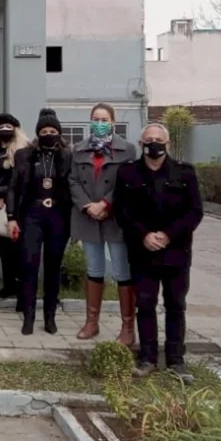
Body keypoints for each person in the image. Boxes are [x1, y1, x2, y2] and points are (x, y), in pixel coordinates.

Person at [114, 123, 203, 382]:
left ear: (168, 144)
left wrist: (167, 235)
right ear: (141, 144)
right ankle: (148, 358)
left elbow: (195, 211)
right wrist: (144, 235)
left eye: (158, 139)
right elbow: (122, 211)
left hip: (176, 250)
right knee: (145, 304)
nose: (154, 143)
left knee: (176, 305)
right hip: (143, 251)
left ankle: (176, 360)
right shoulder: (128, 173)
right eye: (149, 139)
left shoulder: (184, 173)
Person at [69, 103, 138, 344]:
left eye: (104, 119)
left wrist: (106, 204)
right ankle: (91, 323)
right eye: (95, 118)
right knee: (94, 270)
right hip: (88, 218)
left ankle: (128, 327)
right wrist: (88, 205)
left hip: (115, 218)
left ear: (112, 122)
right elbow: (73, 181)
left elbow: (128, 183)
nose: (99, 123)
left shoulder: (127, 150)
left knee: (122, 272)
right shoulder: (78, 149)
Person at [7, 108, 72, 336]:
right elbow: (14, 188)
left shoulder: (67, 156)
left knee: (53, 267)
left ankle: (50, 317)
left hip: (57, 215)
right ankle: (29, 316)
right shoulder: (24, 155)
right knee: (29, 266)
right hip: (32, 214)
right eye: (44, 130)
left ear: (59, 133)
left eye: (53, 130)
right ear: (38, 133)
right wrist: (11, 217)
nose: (48, 134)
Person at [0, 113, 27, 309]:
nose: (4, 130)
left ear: (15, 128)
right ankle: (8, 285)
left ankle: (23, 287)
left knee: (20, 248)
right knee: (4, 248)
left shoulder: (23, 151)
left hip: (18, 205)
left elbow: (21, 179)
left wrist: (5, 193)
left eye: (8, 126)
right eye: (1, 127)